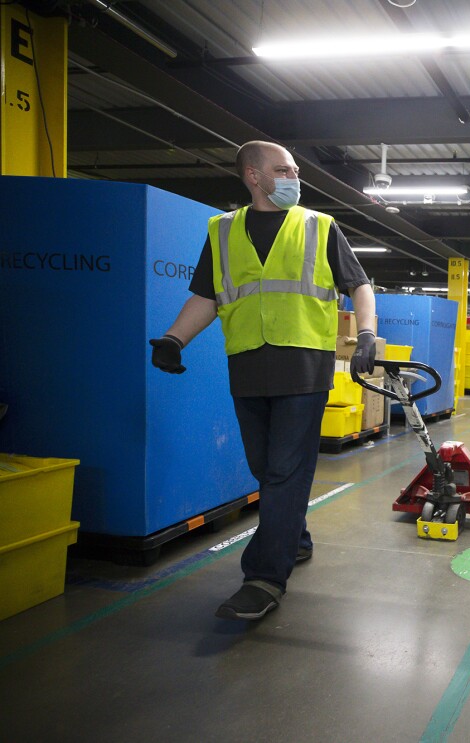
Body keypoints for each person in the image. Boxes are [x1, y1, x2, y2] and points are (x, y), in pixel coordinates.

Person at [149, 140, 378, 621]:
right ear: (253, 176)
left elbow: (358, 283)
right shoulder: (223, 229)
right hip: (248, 364)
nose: (294, 176)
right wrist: (174, 338)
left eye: (295, 169)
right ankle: (295, 538)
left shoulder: (319, 225)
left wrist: (366, 335)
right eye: (283, 169)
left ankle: (263, 578)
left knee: (284, 471)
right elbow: (207, 296)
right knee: (265, 466)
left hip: (303, 364)